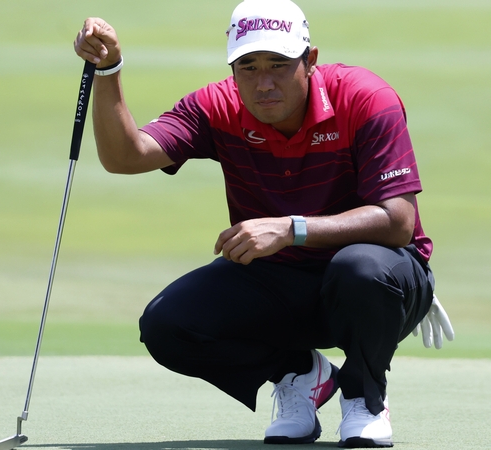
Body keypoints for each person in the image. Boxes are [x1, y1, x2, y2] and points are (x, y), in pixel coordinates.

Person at [73, 0, 454, 447]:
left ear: (310, 61)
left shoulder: (364, 97)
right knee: (167, 325)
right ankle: (298, 372)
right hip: (281, 279)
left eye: (278, 64)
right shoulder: (216, 106)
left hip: (376, 276)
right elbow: (125, 157)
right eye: (248, 67)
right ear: (233, 69)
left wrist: (291, 228)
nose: (263, 82)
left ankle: (365, 398)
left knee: (361, 269)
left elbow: (398, 222)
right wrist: (108, 69)